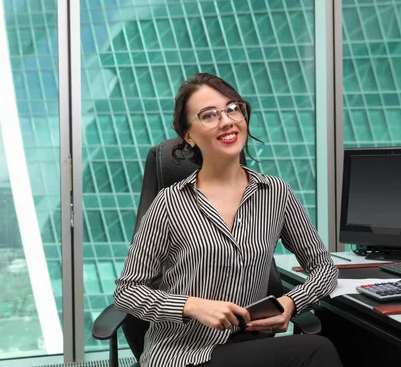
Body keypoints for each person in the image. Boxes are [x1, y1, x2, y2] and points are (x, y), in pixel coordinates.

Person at [114, 73, 342, 367]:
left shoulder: (276, 193)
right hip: (181, 356)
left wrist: (291, 303)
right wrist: (191, 306)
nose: (226, 121)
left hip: (249, 347)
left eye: (232, 108)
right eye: (209, 115)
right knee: (317, 351)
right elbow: (127, 292)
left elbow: (324, 269)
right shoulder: (169, 203)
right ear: (189, 135)